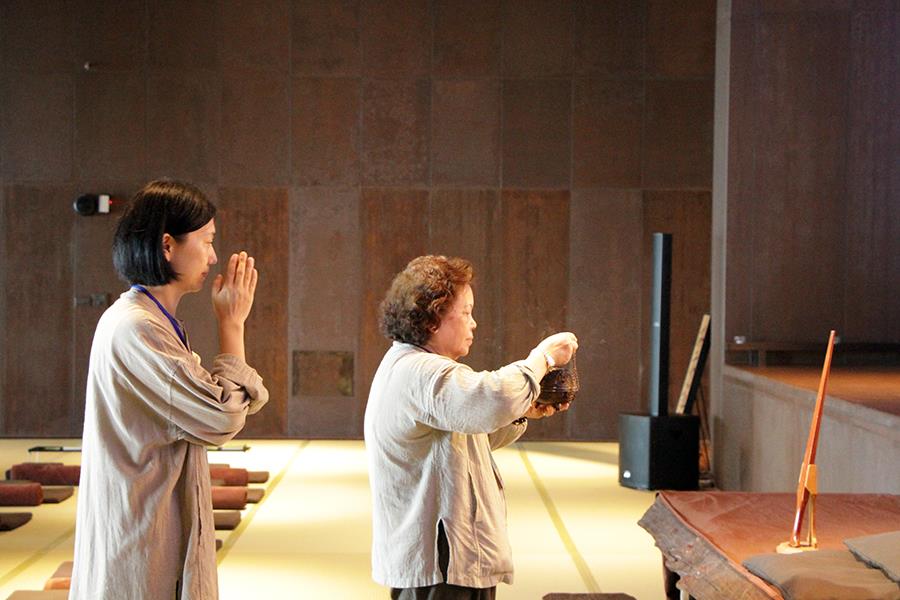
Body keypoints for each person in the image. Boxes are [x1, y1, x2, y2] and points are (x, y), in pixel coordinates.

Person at [70, 180, 269, 600]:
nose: (213, 257)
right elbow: (222, 417)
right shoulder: (138, 327)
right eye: (207, 241)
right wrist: (232, 324)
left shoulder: (148, 319)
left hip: (145, 527)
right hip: (140, 540)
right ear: (167, 246)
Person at [365, 255, 578, 599]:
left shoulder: (411, 366)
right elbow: (494, 396)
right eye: (466, 312)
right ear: (433, 318)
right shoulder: (421, 372)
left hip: (442, 561)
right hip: (441, 565)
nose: (474, 323)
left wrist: (523, 410)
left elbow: (462, 436)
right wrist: (544, 358)